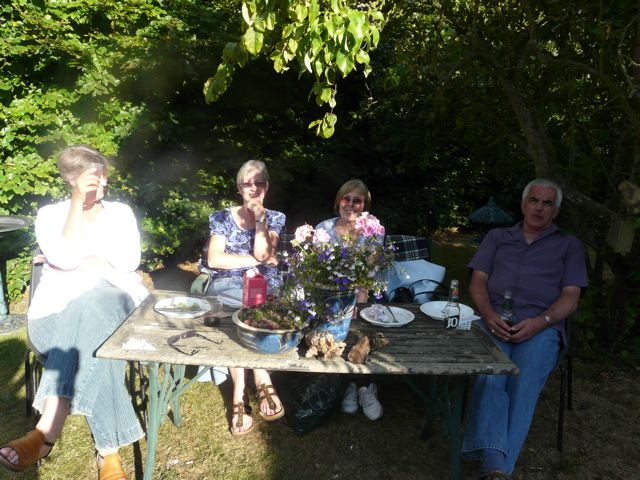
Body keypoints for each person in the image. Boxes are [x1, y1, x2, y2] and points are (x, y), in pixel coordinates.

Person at [0, 145, 148, 479]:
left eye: (102, 174)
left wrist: (91, 264)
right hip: (54, 317)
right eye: (88, 179)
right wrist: (78, 208)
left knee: (92, 303)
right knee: (98, 350)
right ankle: (109, 455)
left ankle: (46, 431)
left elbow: (128, 261)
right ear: (71, 181)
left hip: (113, 304)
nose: (99, 182)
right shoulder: (51, 215)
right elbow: (65, 257)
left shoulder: (120, 213)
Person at [462, 178, 588, 480]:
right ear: (523, 205)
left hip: (541, 327)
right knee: (491, 375)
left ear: (555, 212)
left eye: (547, 203)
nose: (539, 208)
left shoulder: (568, 246)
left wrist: (542, 322)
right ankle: (496, 465)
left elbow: (572, 295)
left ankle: (495, 468)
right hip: (494, 322)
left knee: (523, 382)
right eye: (534, 200)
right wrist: (488, 314)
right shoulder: (497, 237)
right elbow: (477, 281)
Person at [202, 159, 286, 436]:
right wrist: (254, 258)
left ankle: (248, 384)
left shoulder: (275, 217)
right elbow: (215, 260)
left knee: (257, 310)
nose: (253, 188)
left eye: (259, 182)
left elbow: (265, 254)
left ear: (267, 186)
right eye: (247, 183)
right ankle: (253, 383)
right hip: (225, 285)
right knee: (234, 317)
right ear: (238, 187)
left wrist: (260, 219)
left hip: (263, 286)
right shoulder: (221, 217)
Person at [315, 179, 384, 421]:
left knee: (362, 330)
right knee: (332, 330)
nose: (351, 204)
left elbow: (371, 267)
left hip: (365, 293)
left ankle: (363, 386)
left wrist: (359, 295)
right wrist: (340, 298)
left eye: (358, 200)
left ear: (365, 205)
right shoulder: (323, 228)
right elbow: (319, 271)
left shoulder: (374, 229)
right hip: (329, 293)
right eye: (347, 198)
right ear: (338, 201)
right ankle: (350, 386)